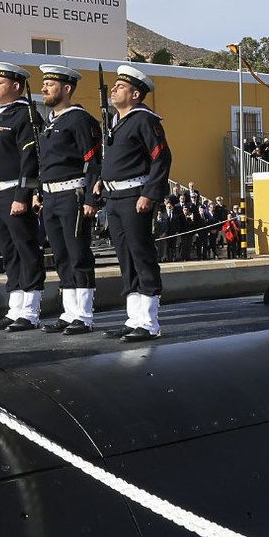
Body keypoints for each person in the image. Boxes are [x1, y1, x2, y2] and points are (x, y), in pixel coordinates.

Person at [100, 64, 172, 341]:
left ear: (135, 95)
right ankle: (134, 319)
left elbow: (161, 157)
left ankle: (150, 322)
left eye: (121, 86)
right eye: (115, 85)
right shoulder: (117, 121)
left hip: (134, 195)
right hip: (114, 197)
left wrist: (149, 193)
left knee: (141, 255)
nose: (114, 89)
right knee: (125, 258)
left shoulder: (144, 119)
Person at [36, 64, 103, 335]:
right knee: (62, 257)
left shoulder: (79, 120)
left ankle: (84, 315)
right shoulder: (50, 123)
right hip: (51, 197)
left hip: (72, 194)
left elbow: (94, 161)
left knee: (78, 254)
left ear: (66, 88)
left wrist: (90, 198)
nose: (44, 88)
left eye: (49, 85)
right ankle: (69, 312)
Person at [0, 62, 45, 332]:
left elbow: (30, 159)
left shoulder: (25, 116)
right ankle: (15, 307)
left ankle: (30, 311)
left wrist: (23, 194)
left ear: (16, 86)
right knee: (8, 252)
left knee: (25, 249)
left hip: (14, 193)